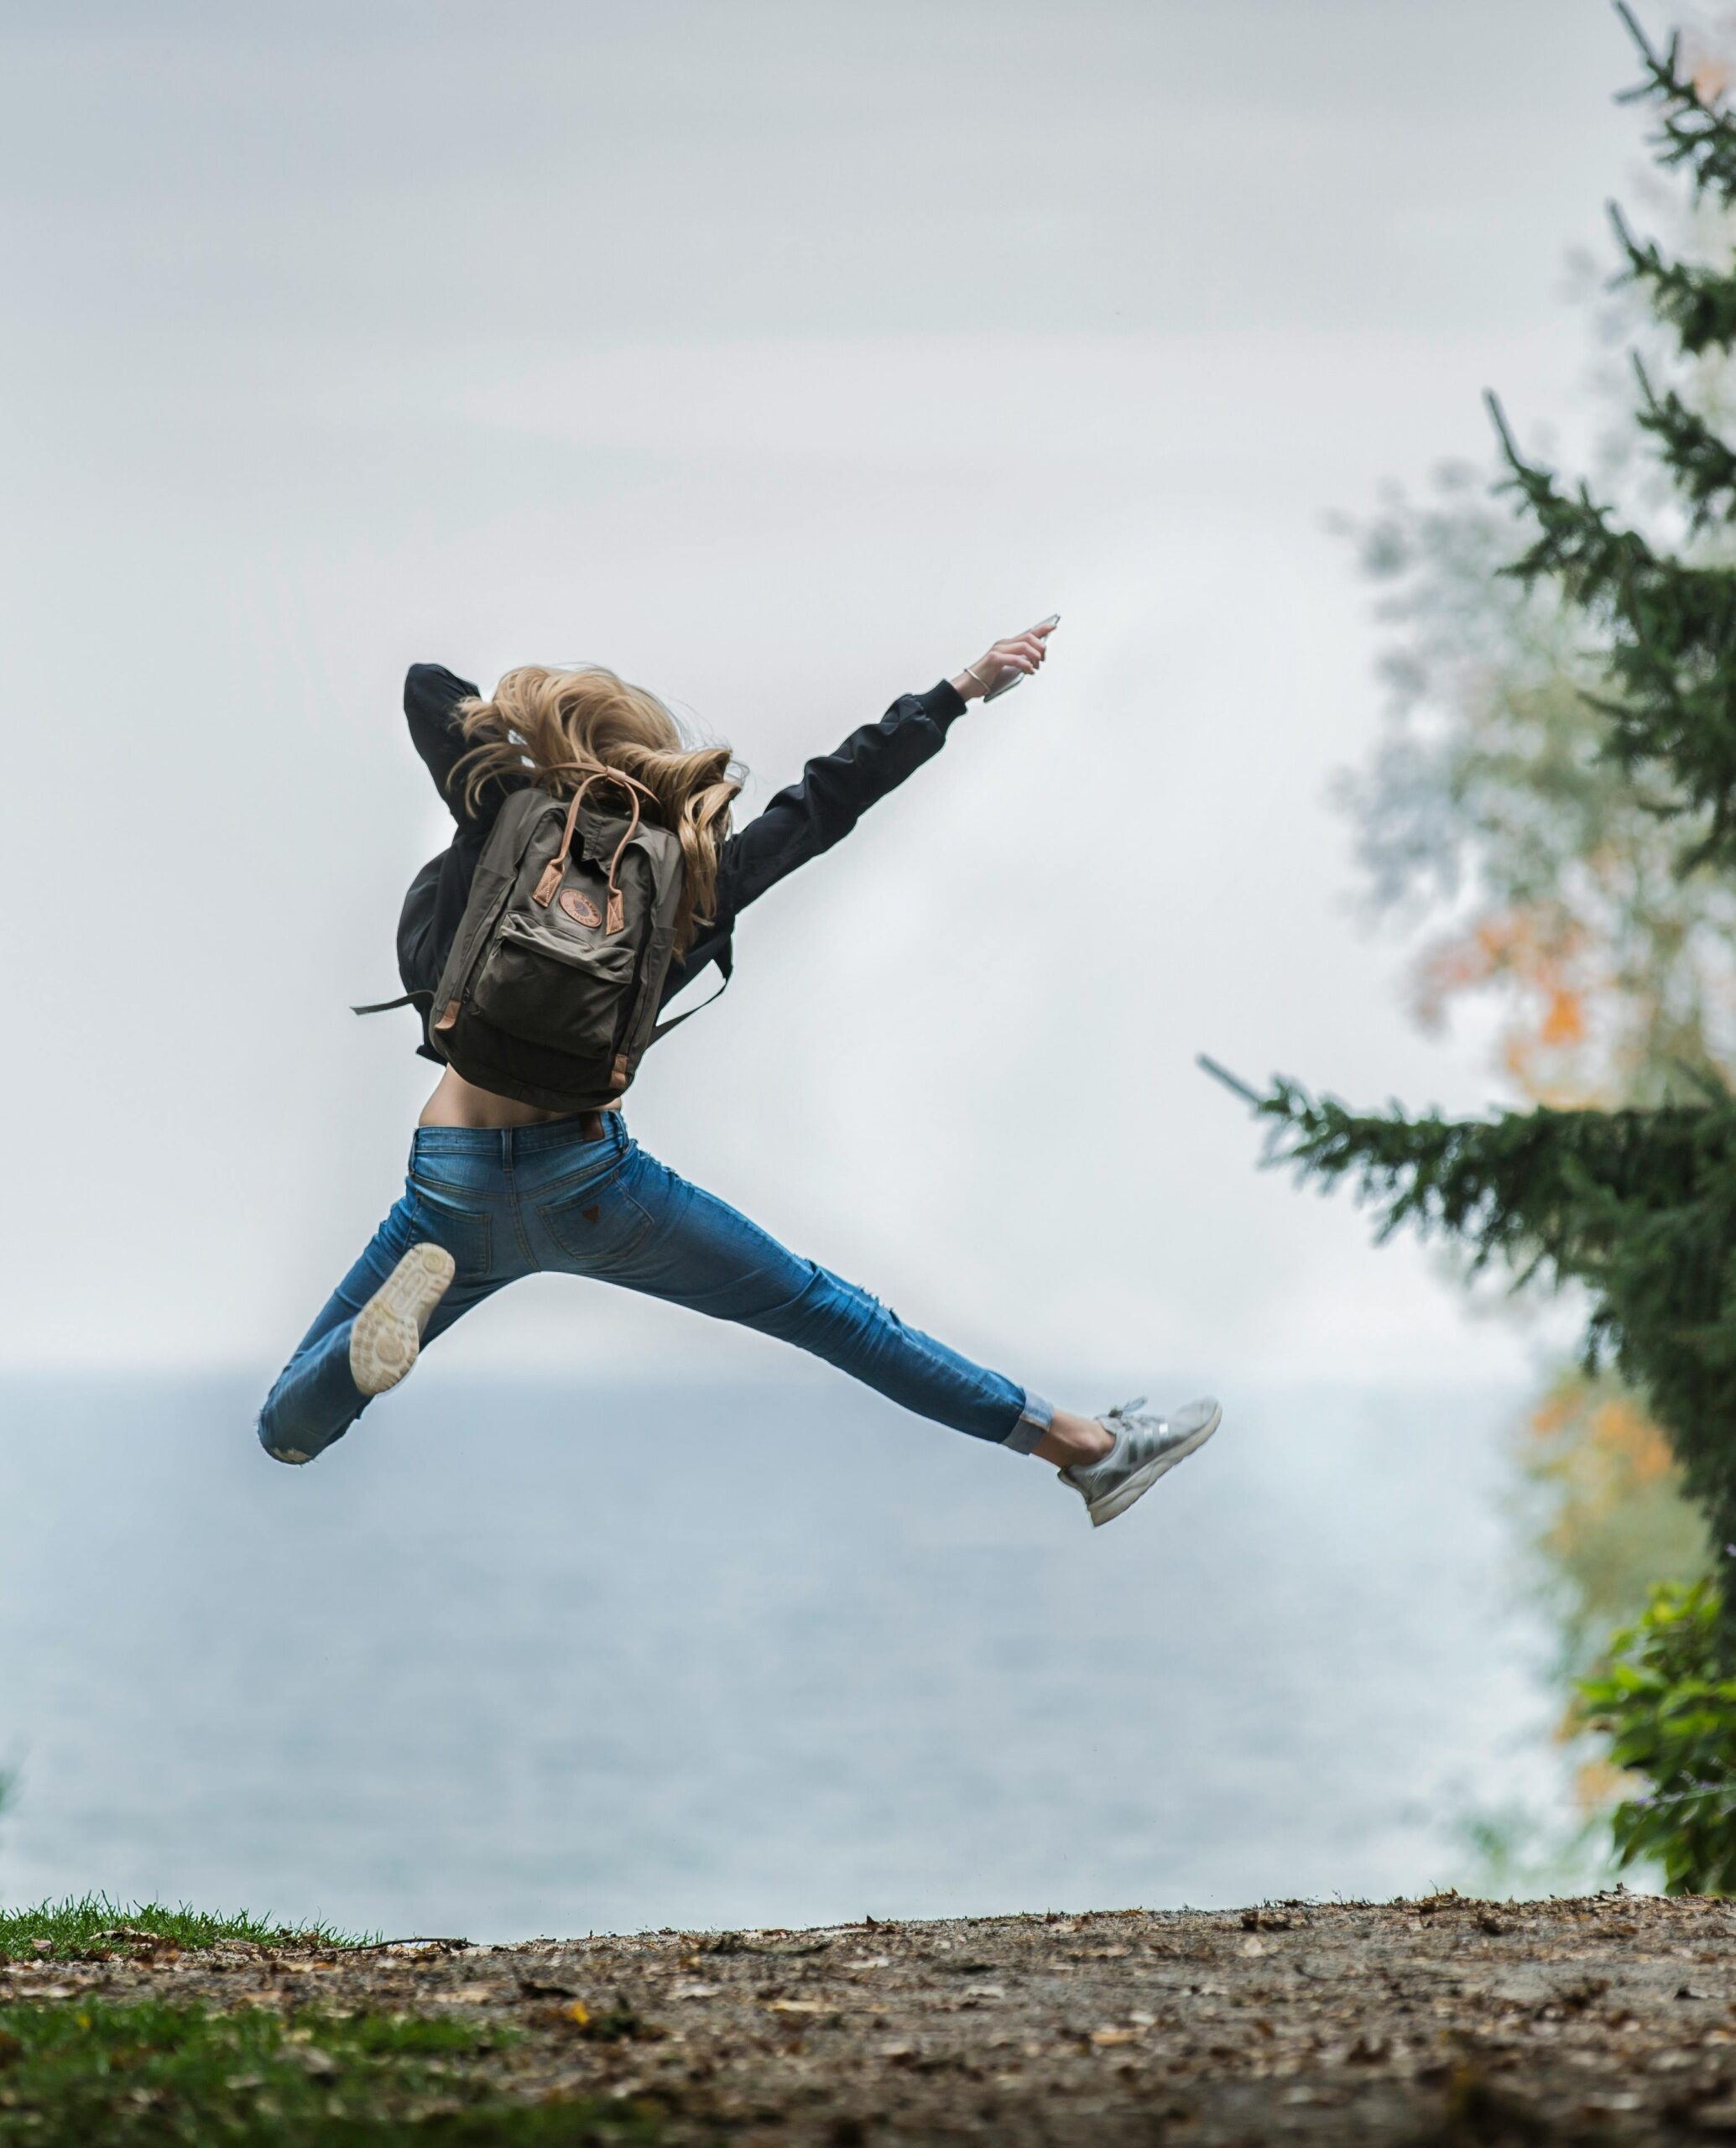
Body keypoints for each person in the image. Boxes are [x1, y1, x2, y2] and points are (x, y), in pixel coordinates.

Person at [256, 619, 1221, 1526]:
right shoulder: (687, 876)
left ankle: (354, 1361)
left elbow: (430, 689)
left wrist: (534, 746)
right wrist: (959, 689)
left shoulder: (504, 814)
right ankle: (1084, 1449)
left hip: (452, 1182)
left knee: (284, 1430)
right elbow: (824, 804)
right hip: (591, 1185)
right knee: (831, 1315)